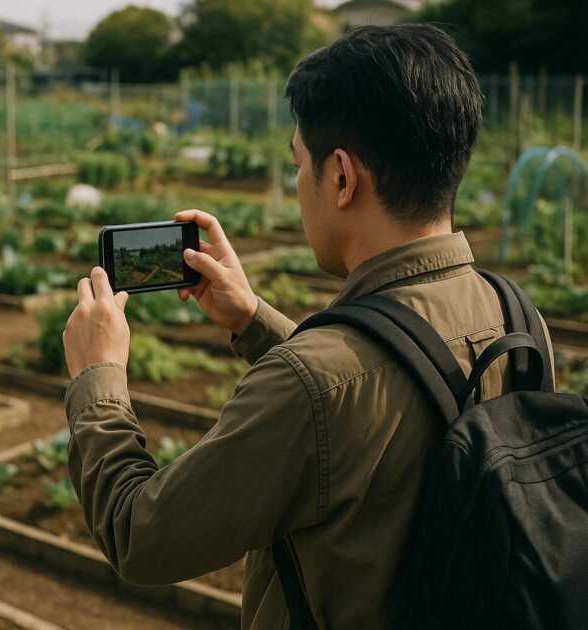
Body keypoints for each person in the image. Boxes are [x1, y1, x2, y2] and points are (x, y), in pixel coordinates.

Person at [61, 25, 554, 629]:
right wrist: (253, 320)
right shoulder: (519, 319)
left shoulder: (311, 384)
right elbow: (392, 388)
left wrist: (97, 378)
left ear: (342, 177)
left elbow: (141, 533)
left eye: (299, 162)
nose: (298, 184)